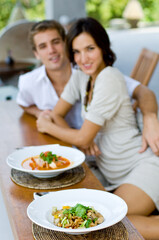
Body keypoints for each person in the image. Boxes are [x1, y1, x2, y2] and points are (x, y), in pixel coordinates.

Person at [37, 17, 159, 239]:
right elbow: (57, 114)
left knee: (110, 224)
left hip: (142, 167)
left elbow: (60, 126)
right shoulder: (81, 77)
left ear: (103, 47)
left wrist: (78, 136)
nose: (83, 58)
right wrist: (81, 137)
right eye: (77, 51)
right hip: (112, 171)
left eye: (90, 48)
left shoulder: (109, 78)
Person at [16, 20, 159, 154]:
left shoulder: (90, 69)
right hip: (76, 146)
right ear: (36, 54)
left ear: (66, 44)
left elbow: (144, 92)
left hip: (103, 148)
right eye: (43, 46)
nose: (51, 50)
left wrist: (150, 117)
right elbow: (23, 103)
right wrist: (39, 113)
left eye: (56, 42)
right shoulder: (30, 81)